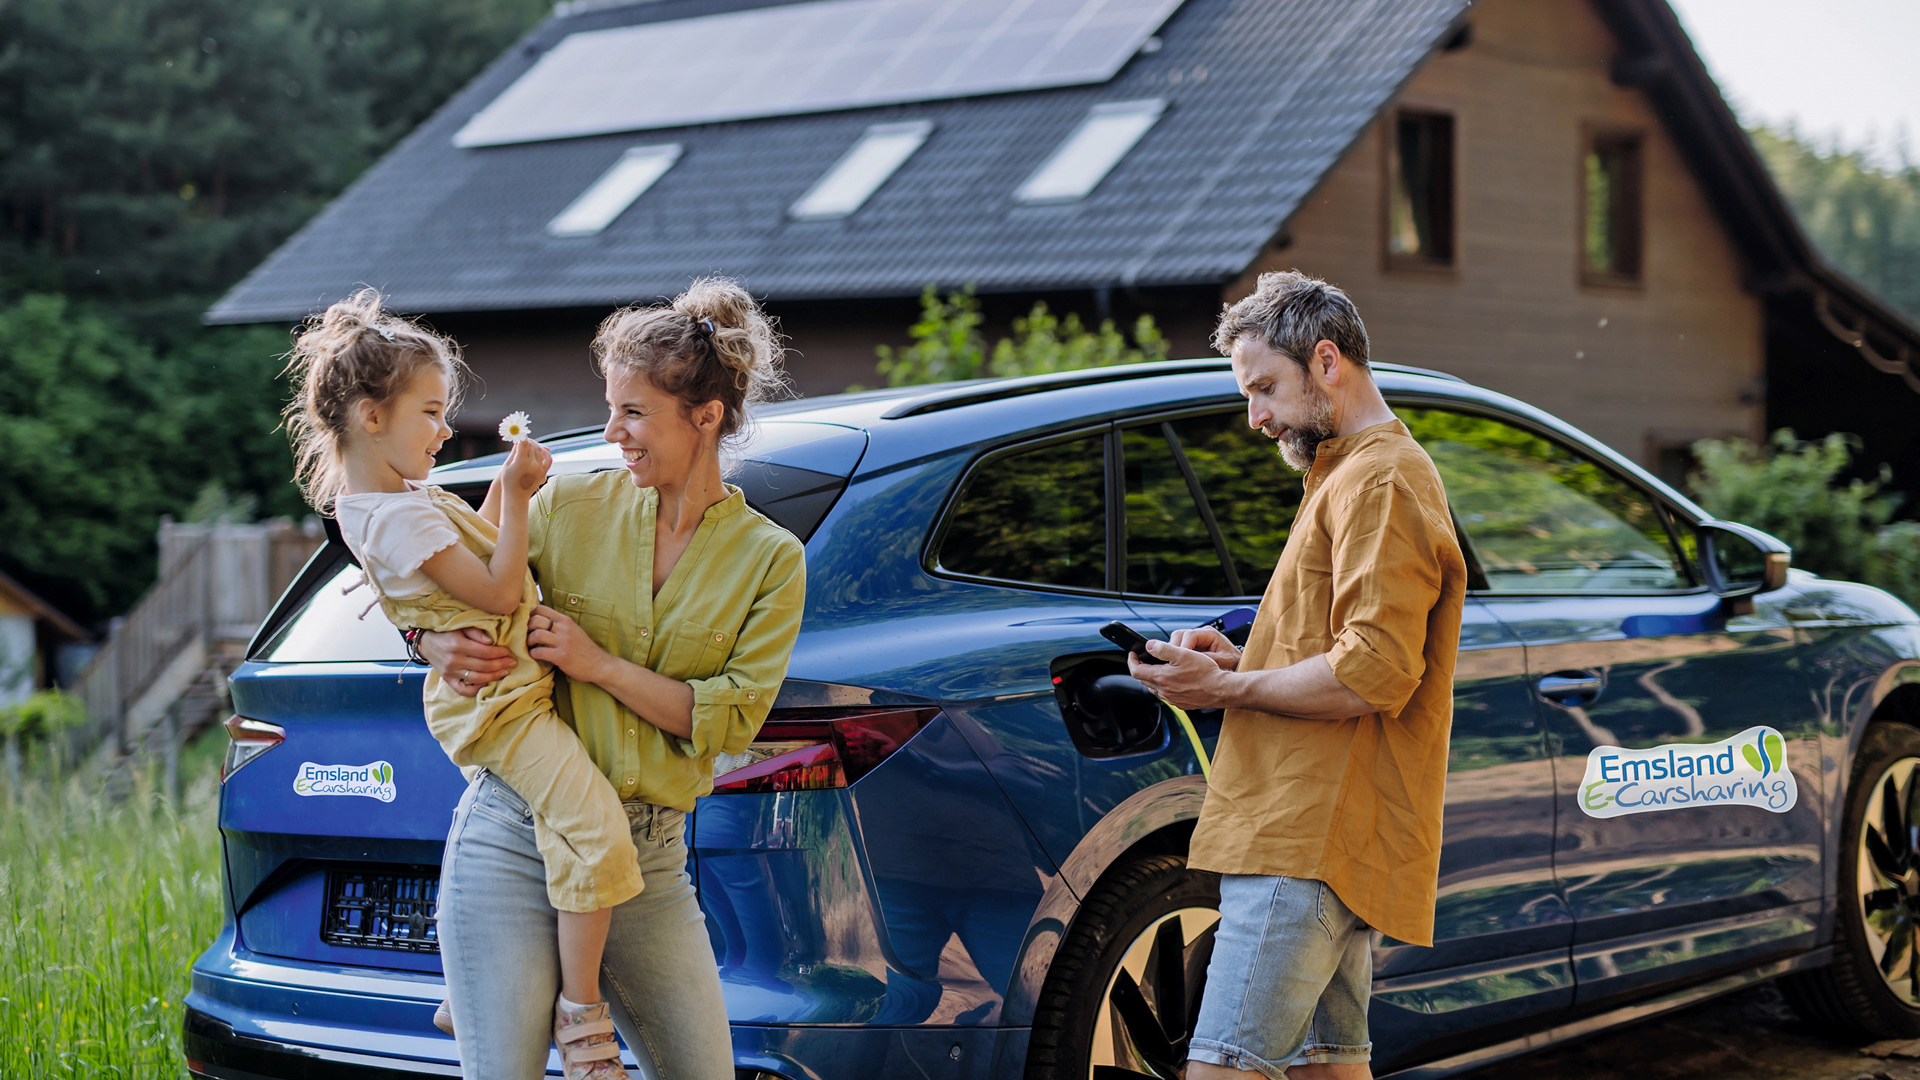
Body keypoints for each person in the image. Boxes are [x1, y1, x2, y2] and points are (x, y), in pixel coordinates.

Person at [417, 278, 806, 1080]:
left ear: (705, 416)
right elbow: (447, 584)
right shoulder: (564, 505)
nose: (611, 431)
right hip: (514, 837)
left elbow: (727, 721)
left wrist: (596, 665)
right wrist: (427, 640)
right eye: (611, 407)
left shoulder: (771, 560)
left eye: (633, 412)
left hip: (648, 857)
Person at [283, 290, 641, 1080]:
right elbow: (499, 592)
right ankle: (580, 1019)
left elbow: (462, 560)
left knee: (538, 839)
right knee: (596, 833)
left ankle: (468, 980)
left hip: (496, 693)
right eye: (432, 412)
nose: (445, 430)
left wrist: (502, 509)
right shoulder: (395, 514)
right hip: (502, 704)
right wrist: (514, 496)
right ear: (372, 416)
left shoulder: (384, 500)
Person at [1127, 271, 1465, 1080]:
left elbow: (1374, 674)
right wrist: (1243, 660)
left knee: (1224, 1069)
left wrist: (1226, 690)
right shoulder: (1351, 471)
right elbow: (1348, 649)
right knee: (1327, 1067)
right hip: (1318, 833)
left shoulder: (1379, 478)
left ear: (1326, 361)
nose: (1257, 416)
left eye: (1266, 388)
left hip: (1304, 836)